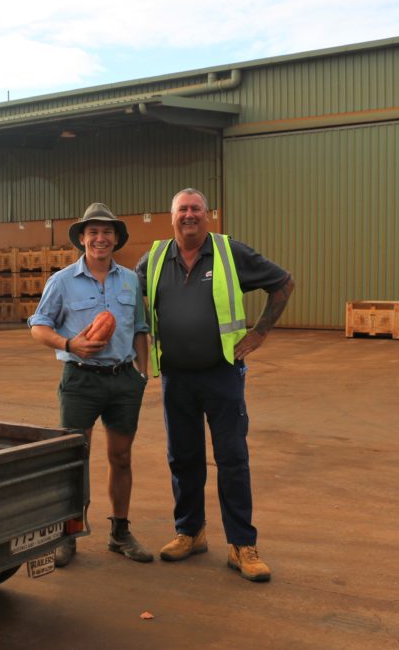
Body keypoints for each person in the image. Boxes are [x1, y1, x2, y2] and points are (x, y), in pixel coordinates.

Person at [136, 188, 294, 582]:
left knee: (232, 459)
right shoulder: (154, 258)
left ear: (208, 215)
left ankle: (242, 545)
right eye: (182, 210)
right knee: (183, 457)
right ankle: (190, 532)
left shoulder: (229, 252)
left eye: (196, 209)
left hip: (222, 374)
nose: (189, 215)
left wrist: (259, 333)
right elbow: (125, 295)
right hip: (175, 376)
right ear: (170, 216)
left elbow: (283, 283)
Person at [28, 202, 152, 563]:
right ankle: (69, 532)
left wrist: (142, 375)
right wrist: (69, 344)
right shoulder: (62, 281)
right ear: (82, 238)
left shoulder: (130, 279)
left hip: (123, 380)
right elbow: (38, 326)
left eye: (107, 232)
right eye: (93, 232)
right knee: (74, 458)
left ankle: (120, 531)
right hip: (80, 380)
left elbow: (141, 330)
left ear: (116, 239)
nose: (101, 238)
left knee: (122, 456)